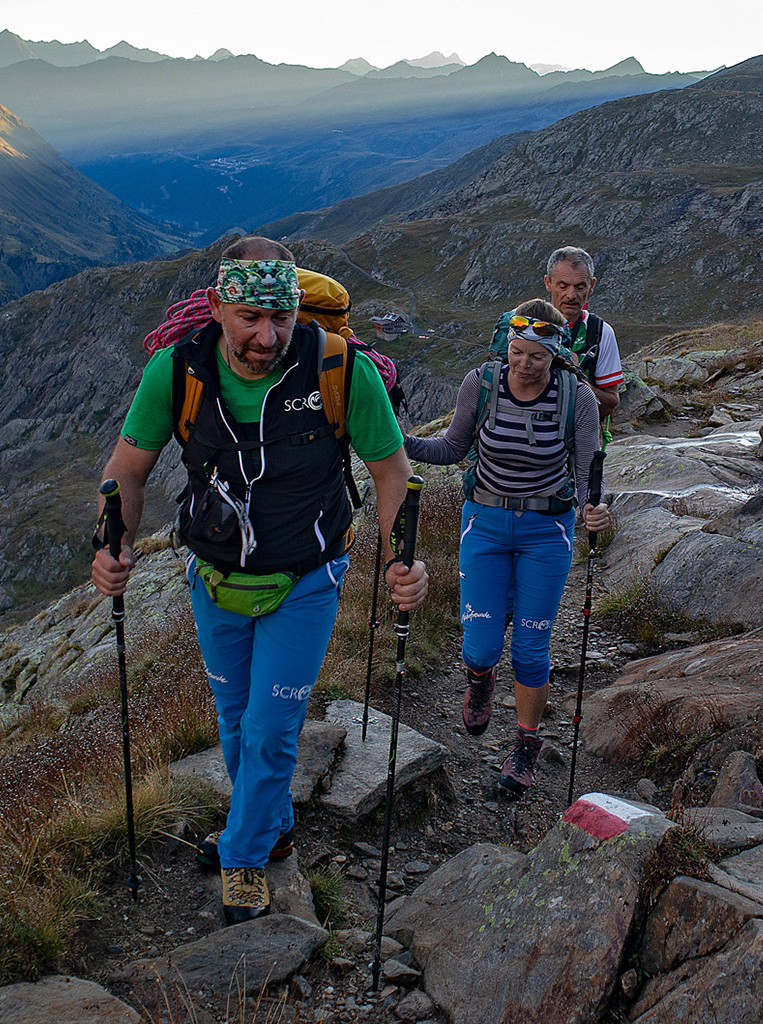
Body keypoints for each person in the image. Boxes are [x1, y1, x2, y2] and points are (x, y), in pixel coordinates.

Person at [91, 236, 428, 925]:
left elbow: (392, 472)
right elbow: (126, 470)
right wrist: (113, 544)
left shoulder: (341, 370)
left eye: (281, 317)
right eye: (249, 318)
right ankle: (273, 829)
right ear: (218, 308)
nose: (267, 337)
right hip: (213, 576)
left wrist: (407, 559)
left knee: (270, 729)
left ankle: (242, 856)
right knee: (235, 719)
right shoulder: (176, 371)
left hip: (306, 579)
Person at [404, 299, 611, 797]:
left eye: (537, 356)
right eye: (517, 352)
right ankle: (480, 680)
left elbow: (588, 470)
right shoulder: (481, 383)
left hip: (547, 531)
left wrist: (595, 509)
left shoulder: (577, 397)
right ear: (506, 346)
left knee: (531, 651)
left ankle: (525, 745)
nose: (524, 364)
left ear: (556, 354)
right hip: (485, 525)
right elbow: (452, 449)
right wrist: (396, 440)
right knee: (480, 646)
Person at [543, 245, 623, 436]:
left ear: (592, 285)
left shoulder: (600, 332)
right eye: (562, 286)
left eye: (580, 287)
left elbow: (610, 404)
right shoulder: (523, 323)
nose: (571, 295)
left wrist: (573, 381)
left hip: (577, 439)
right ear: (548, 283)